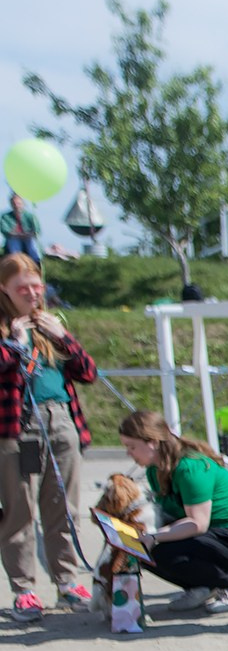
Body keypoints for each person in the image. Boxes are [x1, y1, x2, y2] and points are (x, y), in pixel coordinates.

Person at [0, 253, 95, 619]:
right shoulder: (8, 329)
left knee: (64, 508)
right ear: (4, 289)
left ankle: (67, 582)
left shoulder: (51, 325)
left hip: (61, 419)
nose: (32, 293)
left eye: (36, 286)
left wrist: (63, 337)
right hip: (17, 425)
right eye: (22, 287)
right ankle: (24, 590)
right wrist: (18, 344)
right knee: (19, 512)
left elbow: (88, 372)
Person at [116, 409, 228, 612]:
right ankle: (201, 587)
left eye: (132, 446)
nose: (128, 453)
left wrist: (154, 536)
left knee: (159, 548)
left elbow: (198, 523)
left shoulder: (189, 467)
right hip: (210, 535)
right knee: (139, 549)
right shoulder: (155, 470)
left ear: (152, 442)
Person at [3, 195, 42, 264]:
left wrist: (29, 234)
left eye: (18, 203)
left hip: (28, 238)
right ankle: (17, 263)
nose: (16, 206)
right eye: (14, 203)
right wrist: (17, 234)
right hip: (14, 238)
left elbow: (37, 230)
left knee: (32, 246)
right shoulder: (5, 216)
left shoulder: (30, 216)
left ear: (23, 204)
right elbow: (5, 230)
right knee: (13, 246)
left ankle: (36, 263)